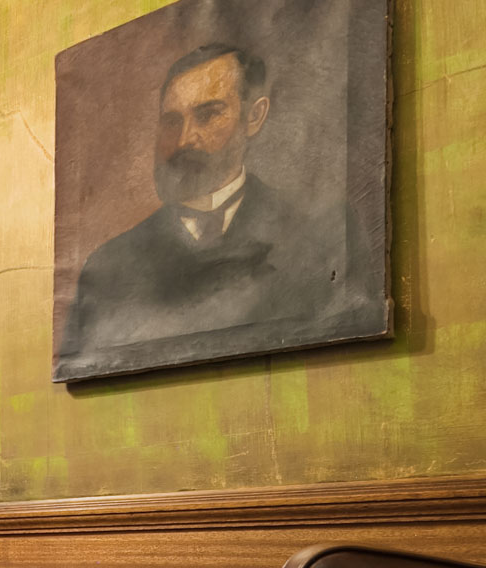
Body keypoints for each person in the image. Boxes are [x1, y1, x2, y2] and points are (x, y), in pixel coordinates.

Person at [59, 42, 357, 371]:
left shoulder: (320, 235)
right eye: (173, 121)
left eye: (208, 114)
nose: (186, 139)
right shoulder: (109, 265)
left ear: (254, 117)